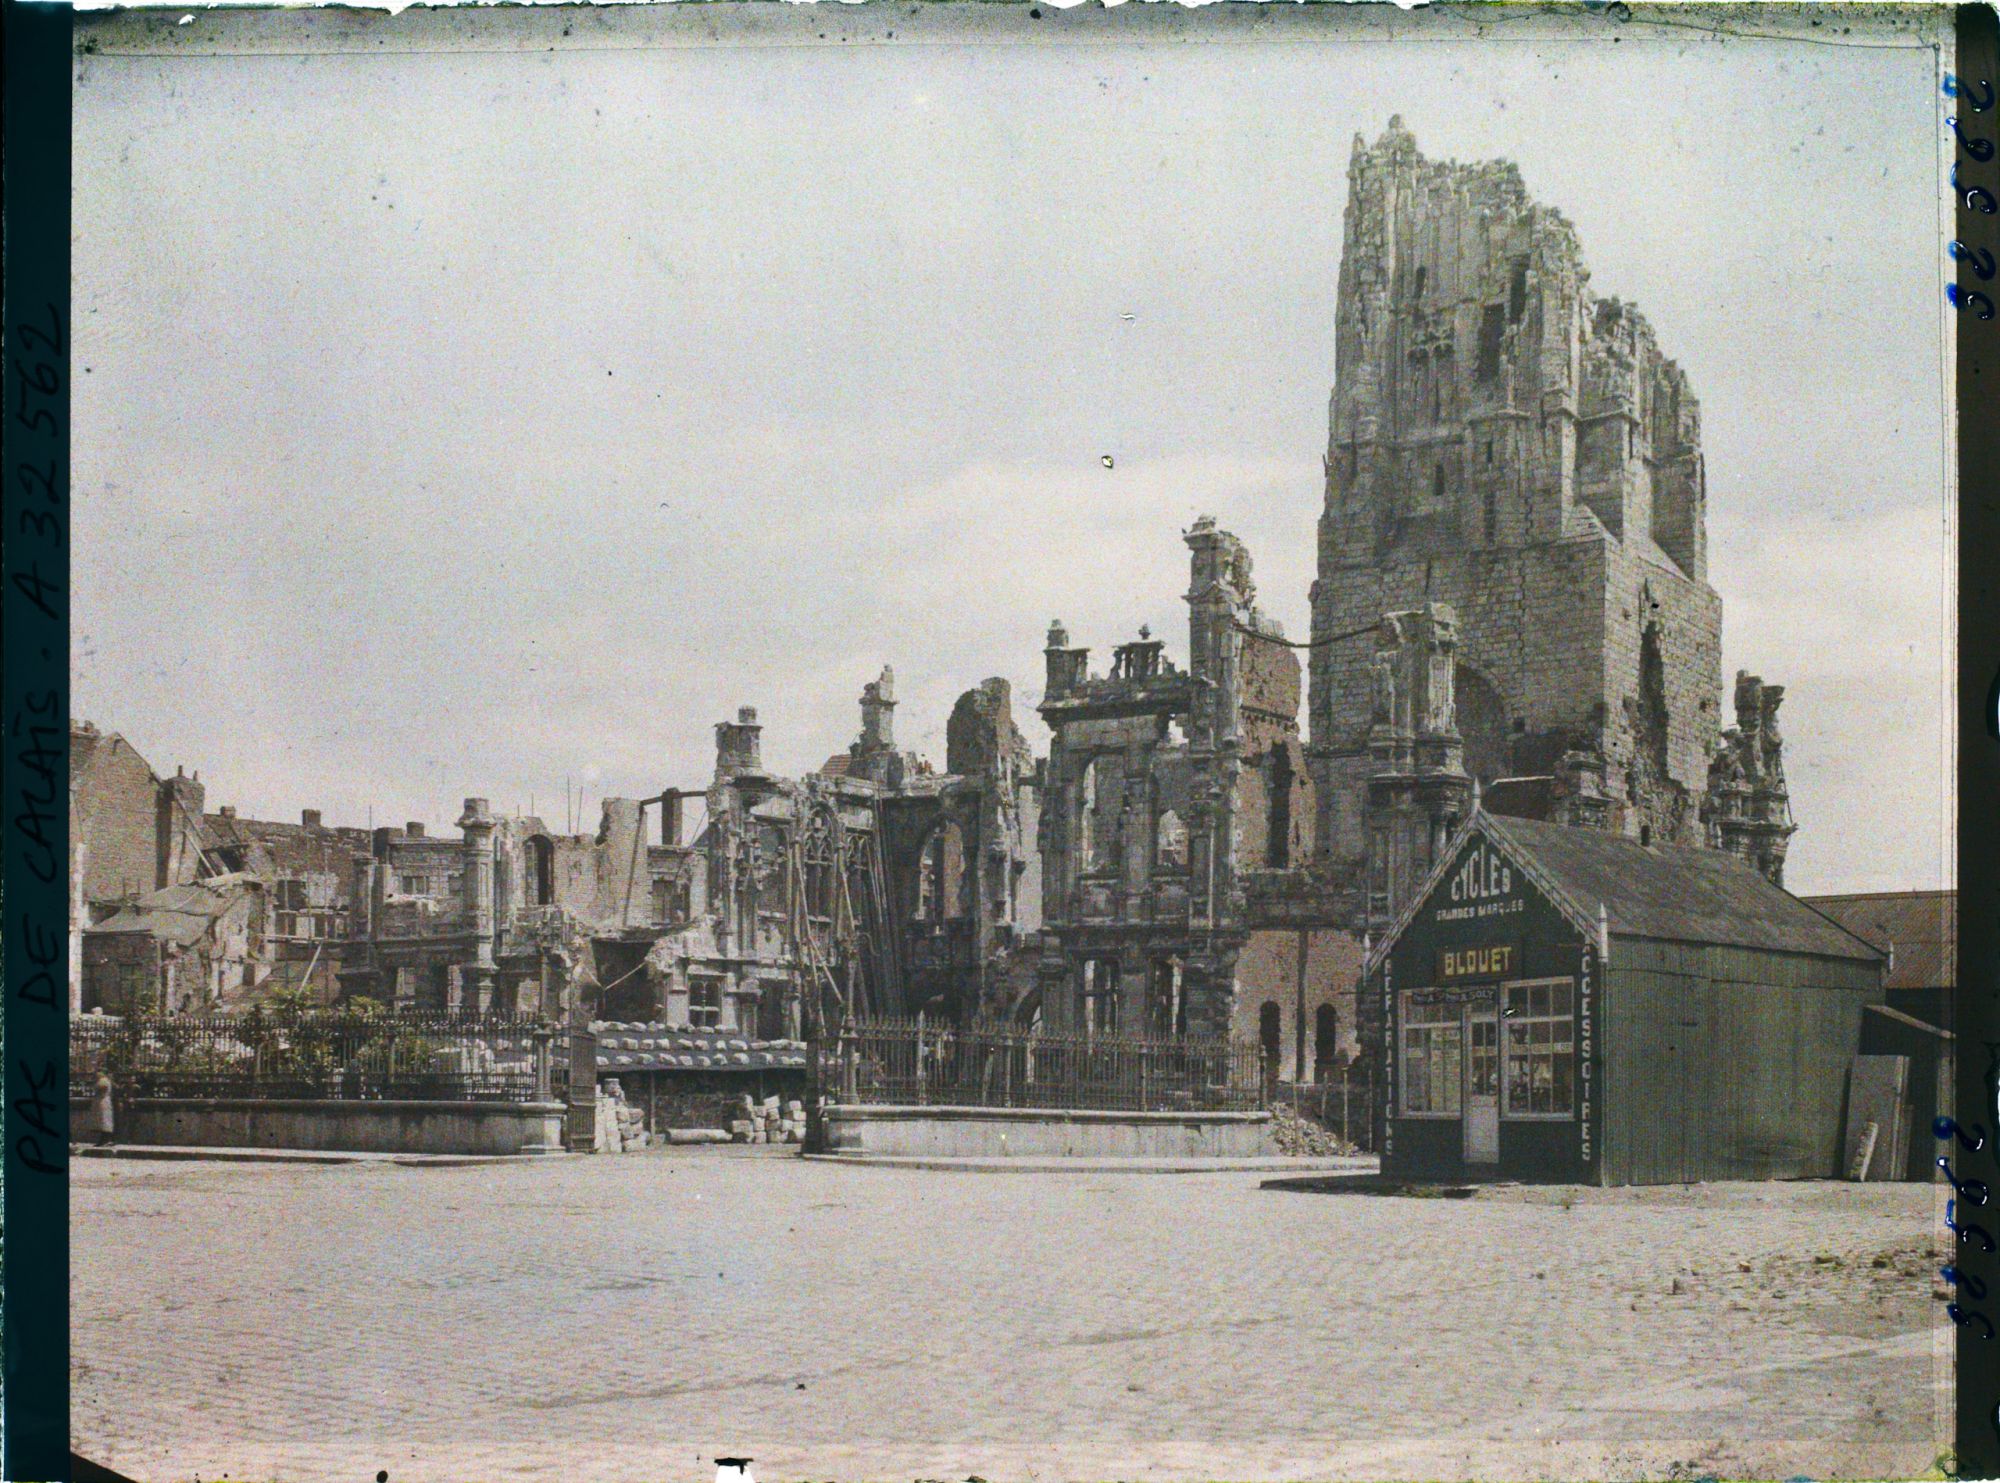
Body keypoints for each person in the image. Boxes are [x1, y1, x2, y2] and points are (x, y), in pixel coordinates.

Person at [92, 1069, 116, 1147]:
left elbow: (102, 1088)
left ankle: (106, 1140)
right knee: (103, 1121)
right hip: (101, 1102)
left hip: (103, 1102)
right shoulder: (103, 1080)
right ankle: (104, 1139)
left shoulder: (103, 1081)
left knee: (104, 1121)